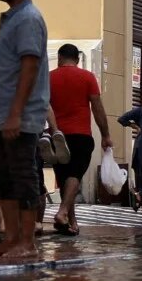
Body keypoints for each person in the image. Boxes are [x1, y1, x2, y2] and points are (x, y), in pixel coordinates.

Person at [0, 0, 52, 260]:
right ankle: (11, 238)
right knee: (3, 178)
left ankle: (27, 241)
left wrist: (15, 113)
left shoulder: (28, 18)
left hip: (19, 118)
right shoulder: (12, 17)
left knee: (23, 177)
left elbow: (29, 67)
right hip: (0, 118)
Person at [48, 44, 114, 235]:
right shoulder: (87, 77)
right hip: (81, 135)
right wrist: (106, 134)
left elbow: (43, 105)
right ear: (77, 59)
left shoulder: (49, 77)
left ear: (59, 58)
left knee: (64, 177)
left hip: (57, 134)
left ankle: (72, 221)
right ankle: (62, 213)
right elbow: (97, 107)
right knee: (75, 175)